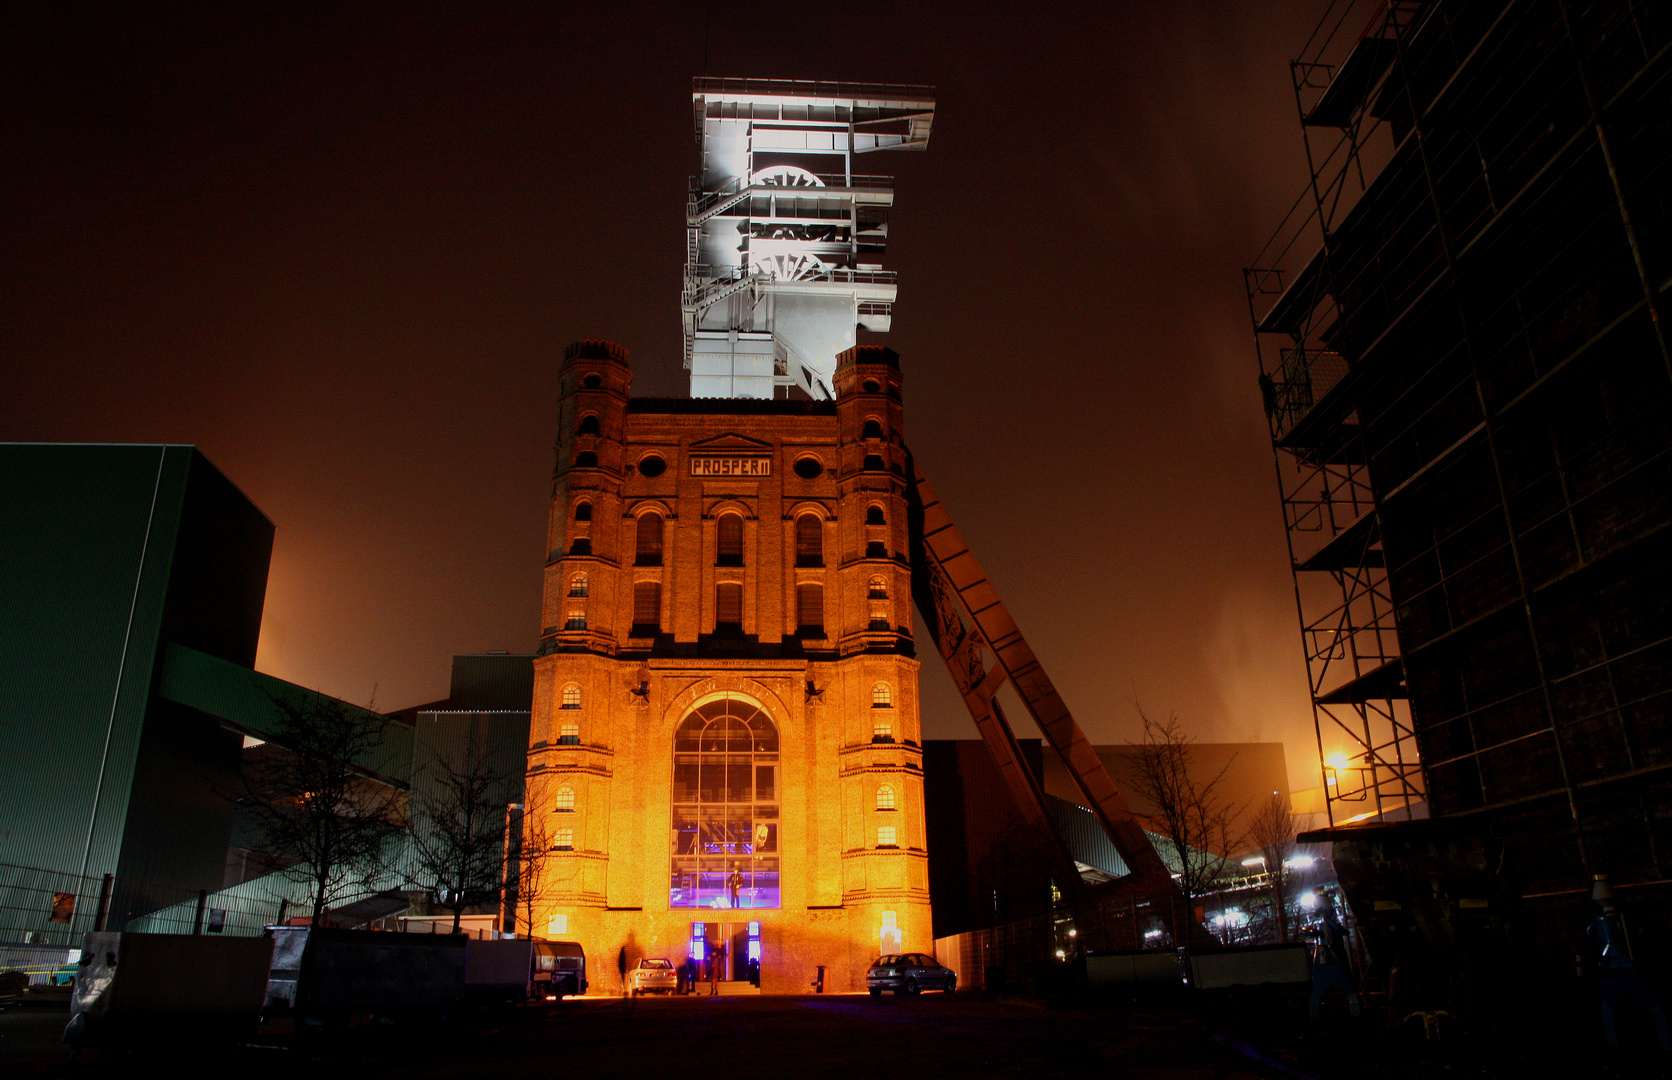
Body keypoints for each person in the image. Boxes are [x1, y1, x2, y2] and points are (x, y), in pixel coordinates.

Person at [1586, 875, 1672, 1050]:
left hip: (1613, 967)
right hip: (1620, 966)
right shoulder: (1614, 922)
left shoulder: (1601, 924)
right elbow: (1639, 933)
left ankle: (1618, 1047)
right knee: (1649, 1007)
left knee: (1610, 1011)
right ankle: (1665, 1043)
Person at [1302, 896, 1361, 1020]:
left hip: (1333, 963)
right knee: (1317, 996)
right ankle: (1316, 1019)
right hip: (1324, 964)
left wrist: (1325, 920)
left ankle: (1356, 1016)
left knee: (1348, 992)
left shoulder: (1332, 926)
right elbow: (1307, 932)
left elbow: (1342, 931)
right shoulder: (1320, 926)